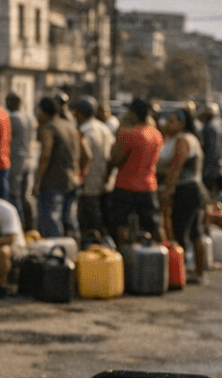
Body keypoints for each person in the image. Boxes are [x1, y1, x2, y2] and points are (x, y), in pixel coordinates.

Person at [158, 109, 208, 284]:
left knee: (181, 231)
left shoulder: (183, 140)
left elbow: (176, 168)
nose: (167, 125)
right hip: (194, 190)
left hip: (186, 190)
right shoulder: (182, 139)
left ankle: (181, 273)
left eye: (172, 121)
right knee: (195, 231)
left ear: (182, 124)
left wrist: (167, 191)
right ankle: (198, 273)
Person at [106, 98, 164, 244]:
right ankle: (166, 253)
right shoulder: (156, 134)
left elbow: (116, 159)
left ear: (133, 114)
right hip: (148, 185)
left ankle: (126, 257)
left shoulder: (128, 134)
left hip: (125, 185)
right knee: (154, 224)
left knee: (122, 224)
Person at [32, 96, 86, 240]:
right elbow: (85, 153)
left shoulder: (48, 128)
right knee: (70, 221)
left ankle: (56, 255)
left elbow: (45, 156)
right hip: (73, 180)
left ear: (43, 112)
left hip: (54, 182)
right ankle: (74, 253)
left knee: (51, 222)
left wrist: (37, 182)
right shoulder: (69, 125)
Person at [74, 96, 114, 241]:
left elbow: (84, 156)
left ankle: (94, 253)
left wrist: (79, 176)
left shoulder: (85, 130)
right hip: (105, 182)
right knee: (103, 219)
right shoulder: (104, 128)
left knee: (89, 223)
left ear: (79, 112)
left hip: (89, 183)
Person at [7, 92, 38, 230]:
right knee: (25, 195)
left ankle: (18, 225)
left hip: (16, 159)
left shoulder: (13, 117)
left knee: (14, 194)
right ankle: (30, 224)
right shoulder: (29, 117)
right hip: (29, 158)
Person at [199, 102, 222, 195]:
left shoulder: (211, 127)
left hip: (211, 168)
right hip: (219, 165)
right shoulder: (219, 124)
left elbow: (212, 150)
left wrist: (207, 170)